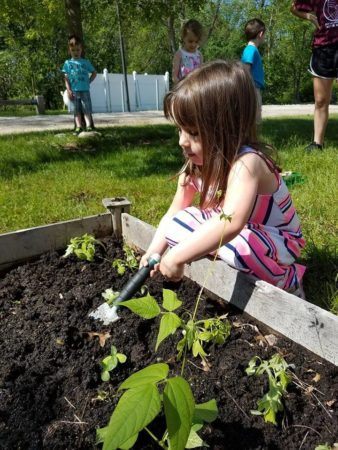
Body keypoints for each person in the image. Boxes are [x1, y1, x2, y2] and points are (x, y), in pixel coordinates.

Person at [141, 60, 306, 296]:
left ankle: (287, 283)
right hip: (238, 231)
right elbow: (174, 211)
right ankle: (225, 276)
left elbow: (231, 223)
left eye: (194, 133)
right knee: (178, 224)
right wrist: (154, 252)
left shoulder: (247, 164)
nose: (182, 141)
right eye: (180, 130)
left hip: (277, 240)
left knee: (239, 248)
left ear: (226, 128)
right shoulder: (195, 164)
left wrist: (177, 256)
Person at [291, 1, 338, 151]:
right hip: (323, 48)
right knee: (321, 100)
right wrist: (308, 16)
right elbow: (294, 7)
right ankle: (317, 143)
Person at [62, 35, 97, 135]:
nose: (76, 52)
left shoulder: (85, 62)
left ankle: (89, 125)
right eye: (73, 50)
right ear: (69, 51)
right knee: (76, 110)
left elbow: (94, 73)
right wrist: (68, 90)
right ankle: (78, 127)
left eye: (78, 50)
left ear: (81, 49)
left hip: (85, 90)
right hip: (74, 91)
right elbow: (66, 78)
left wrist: (89, 81)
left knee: (87, 108)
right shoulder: (67, 63)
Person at [241, 18, 266, 123]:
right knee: (254, 117)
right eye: (264, 34)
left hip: (254, 88)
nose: (265, 37)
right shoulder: (251, 50)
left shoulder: (252, 49)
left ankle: (252, 138)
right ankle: (252, 138)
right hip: (252, 89)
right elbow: (245, 70)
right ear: (260, 34)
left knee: (255, 116)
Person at [172, 19, 204, 85]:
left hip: (196, 89)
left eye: (196, 42)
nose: (193, 44)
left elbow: (201, 75)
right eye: (190, 41)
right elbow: (174, 77)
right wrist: (182, 87)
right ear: (184, 37)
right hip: (183, 90)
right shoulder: (179, 54)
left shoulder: (199, 55)